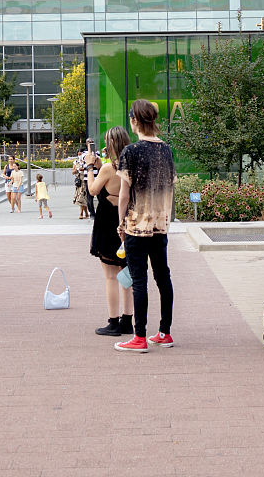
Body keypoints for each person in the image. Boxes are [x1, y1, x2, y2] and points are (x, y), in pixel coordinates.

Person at [113, 99, 176, 353]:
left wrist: (120, 222)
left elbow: (124, 195)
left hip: (137, 225)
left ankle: (139, 336)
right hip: (160, 224)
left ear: (135, 121)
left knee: (139, 280)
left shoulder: (131, 151)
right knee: (163, 277)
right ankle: (165, 331)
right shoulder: (167, 150)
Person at [86, 126, 134, 337]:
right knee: (127, 274)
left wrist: (90, 168)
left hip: (107, 222)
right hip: (127, 220)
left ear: (112, 144)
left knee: (110, 276)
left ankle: (113, 322)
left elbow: (93, 189)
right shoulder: (131, 165)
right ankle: (128, 320)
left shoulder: (107, 168)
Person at [71, 148, 90, 219]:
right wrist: (77, 170)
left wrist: (84, 169)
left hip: (86, 180)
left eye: (81, 154)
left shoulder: (86, 161)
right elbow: (73, 172)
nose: (80, 156)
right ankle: (85, 213)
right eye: (78, 154)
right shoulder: (76, 162)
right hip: (79, 182)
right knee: (81, 197)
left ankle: (82, 213)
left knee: (83, 197)